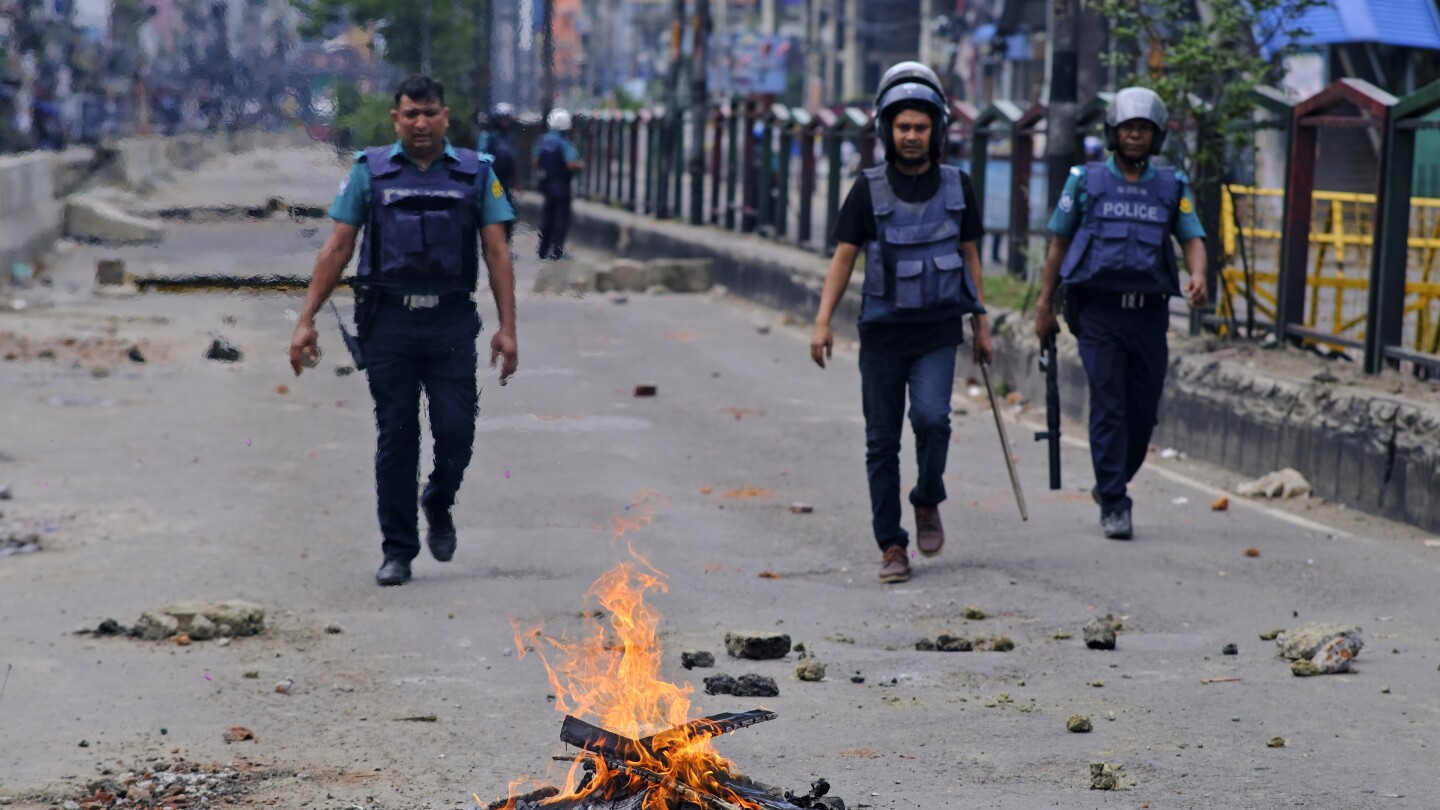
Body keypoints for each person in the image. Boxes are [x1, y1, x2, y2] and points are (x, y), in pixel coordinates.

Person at [287, 75, 519, 586]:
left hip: (451, 320)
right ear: (397, 119)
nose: (420, 122)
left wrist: (507, 328)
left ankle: (438, 499)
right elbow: (338, 247)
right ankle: (398, 549)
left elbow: (497, 251)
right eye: (411, 113)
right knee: (397, 434)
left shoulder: (476, 173)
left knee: (456, 430)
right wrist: (306, 321)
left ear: (446, 117)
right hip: (388, 320)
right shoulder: (370, 172)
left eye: (429, 112)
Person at [809, 61, 993, 584]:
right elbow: (843, 259)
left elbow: (971, 256)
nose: (911, 136)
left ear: (936, 129)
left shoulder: (958, 187)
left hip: (938, 332)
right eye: (902, 127)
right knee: (881, 441)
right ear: (886, 130)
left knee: (933, 420)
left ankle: (927, 497)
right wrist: (822, 322)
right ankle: (892, 544)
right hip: (883, 337)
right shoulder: (867, 190)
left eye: (921, 126)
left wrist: (982, 325)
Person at [1033, 86, 1208, 541]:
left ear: (1157, 136)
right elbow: (1059, 245)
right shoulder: (1085, 181)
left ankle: (1111, 480)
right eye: (1129, 128)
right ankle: (1115, 501)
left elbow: (1192, 238)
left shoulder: (1172, 186)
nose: (1135, 136)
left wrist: (1198, 275)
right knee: (1108, 405)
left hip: (1150, 315)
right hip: (1099, 314)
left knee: (1143, 413)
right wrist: (1043, 306)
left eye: (1144, 129)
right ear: (1114, 132)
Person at [532, 107, 583, 260]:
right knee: (561, 218)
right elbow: (570, 164)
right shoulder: (564, 142)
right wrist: (580, 165)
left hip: (547, 184)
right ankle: (556, 250)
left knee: (547, 216)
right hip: (561, 185)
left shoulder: (543, 140)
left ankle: (542, 249)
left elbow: (535, 161)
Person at [477, 102, 520, 241]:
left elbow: (512, 159)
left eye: (508, 118)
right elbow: (481, 157)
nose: (506, 122)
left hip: (505, 181)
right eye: (503, 118)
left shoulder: (509, 137)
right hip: (492, 180)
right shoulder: (488, 136)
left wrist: (516, 180)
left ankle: (506, 242)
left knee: (509, 211)